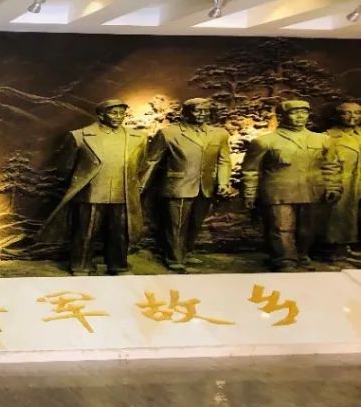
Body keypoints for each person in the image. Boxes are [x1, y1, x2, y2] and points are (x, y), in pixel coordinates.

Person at [39, 99, 147, 275]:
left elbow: (141, 165)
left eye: (121, 113)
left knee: (120, 232)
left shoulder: (138, 138)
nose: (118, 117)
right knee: (86, 232)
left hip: (123, 192)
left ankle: (118, 265)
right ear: (101, 115)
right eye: (113, 113)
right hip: (91, 192)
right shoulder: (79, 136)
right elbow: (65, 167)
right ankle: (81, 265)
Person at [241, 100, 341, 272]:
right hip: (279, 191)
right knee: (282, 228)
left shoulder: (323, 140)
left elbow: (331, 165)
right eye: (294, 113)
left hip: (312, 189)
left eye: (304, 112)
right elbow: (250, 170)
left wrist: (333, 186)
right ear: (282, 116)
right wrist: (250, 193)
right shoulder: (265, 141)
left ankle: (301, 255)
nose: (300, 116)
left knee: (307, 229)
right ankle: (285, 259)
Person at [141, 98, 232, 272]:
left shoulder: (219, 134)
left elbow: (224, 161)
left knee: (195, 223)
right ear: (186, 112)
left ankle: (187, 252)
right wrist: (141, 185)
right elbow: (152, 161)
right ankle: (174, 258)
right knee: (176, 225)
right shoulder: (168, 133)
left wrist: (223, 183)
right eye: (197, 110)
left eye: (205, 111)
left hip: (205, 186)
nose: (202, 114)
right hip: (178, 185)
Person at [321, 101, 361, 266]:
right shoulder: (328, 137)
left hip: (359, 182)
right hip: (344, 182)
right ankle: (338, 249)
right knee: (341, 216)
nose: (353, 117)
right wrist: (331, 185)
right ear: (337, 116)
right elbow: (326, 164)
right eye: (347, 113)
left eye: (357, 113)